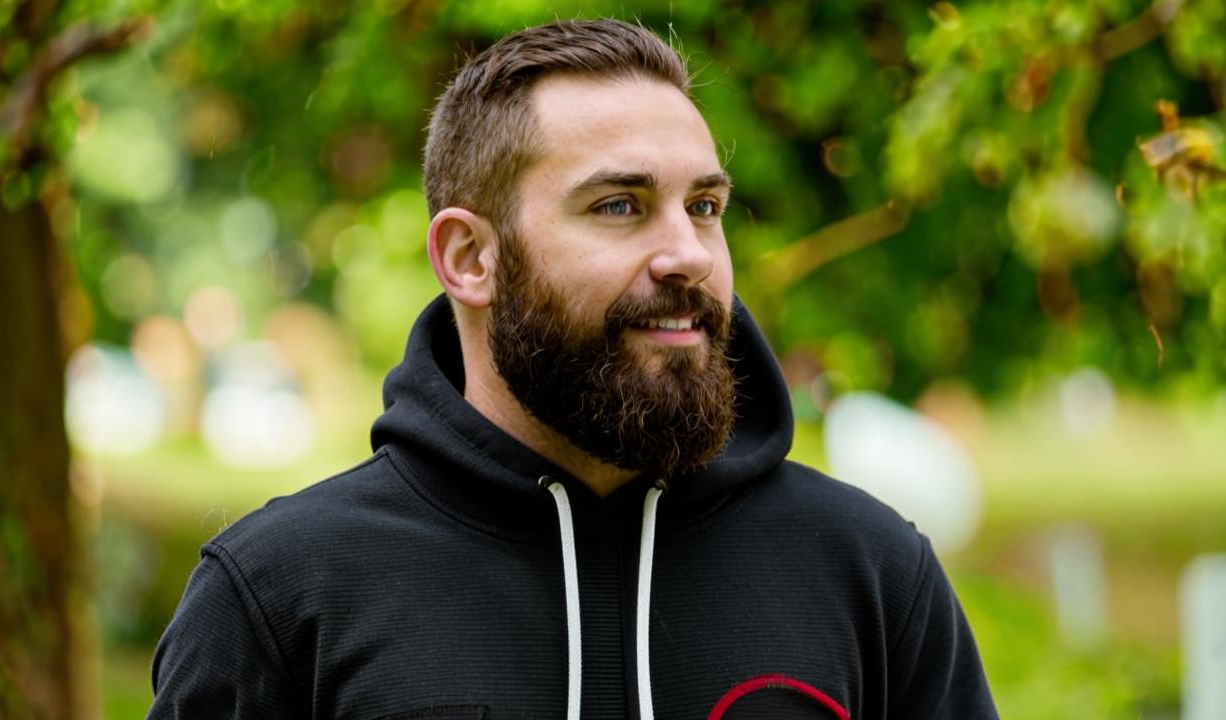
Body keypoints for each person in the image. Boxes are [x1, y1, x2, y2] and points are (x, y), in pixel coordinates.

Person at [148, 19, 997, 720]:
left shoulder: (872, 572)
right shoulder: (282, 596)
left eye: (704, 207)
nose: (687, 255)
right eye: (620, 206)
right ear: (470, 257)